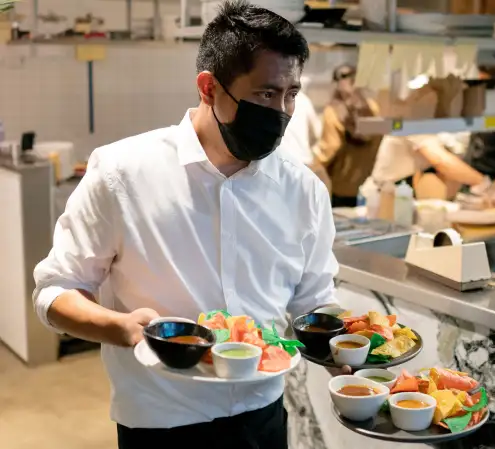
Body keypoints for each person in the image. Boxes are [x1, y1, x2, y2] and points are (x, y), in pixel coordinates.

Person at [32, 2, 340, 447]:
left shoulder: (303, 190)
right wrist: (121, 328)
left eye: (291, 94)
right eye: (264, 95)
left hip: (264, 416)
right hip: (162, 422)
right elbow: (55, 291)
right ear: (209, 87)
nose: (281, 111)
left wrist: (350, 351)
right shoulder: (123, 173)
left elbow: (313, 302)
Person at [313, 64, 383, 207]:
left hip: (342, 188)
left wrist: (312, 166)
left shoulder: (333, 111)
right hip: (369, 186)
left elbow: (330, 148)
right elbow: (380, 136)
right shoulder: (372, 107)